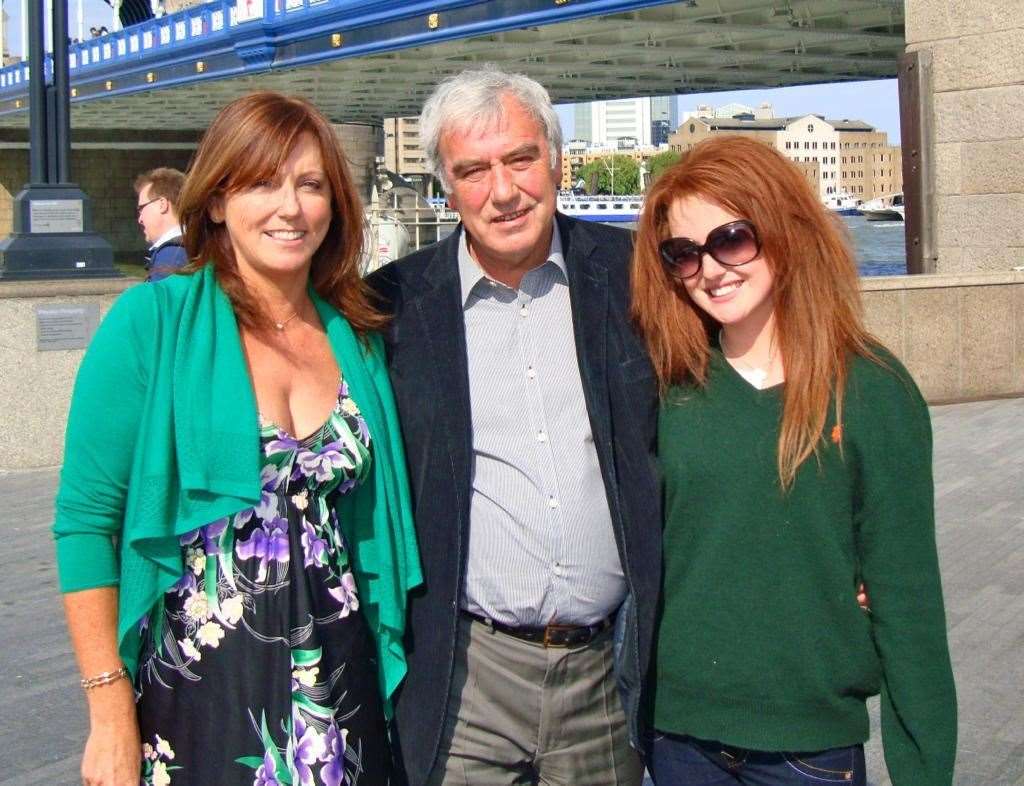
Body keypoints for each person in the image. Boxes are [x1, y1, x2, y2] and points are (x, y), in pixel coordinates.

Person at [54, 92, 421, 786]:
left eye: (310, 185)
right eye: (261, 183)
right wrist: (108, 713)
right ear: (217, 201)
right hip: (198, 691)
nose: (291, 207)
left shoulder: (357, 338)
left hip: (341, 686)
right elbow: (84, 523)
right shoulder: (150, 325)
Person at [631, 135, 957, 785]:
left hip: (809, 747)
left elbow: (908, 608)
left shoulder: (870, 391)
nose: (711, 269)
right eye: (683, 254)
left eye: (731, 238)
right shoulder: (665, 387)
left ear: (783, 228)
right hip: (679, 738)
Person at [368, 66, 661, 786]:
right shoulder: (393, 307)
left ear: (555, 161)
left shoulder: (635, 278)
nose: (503, 192)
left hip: (604, 674)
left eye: (521, 160)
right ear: (445, 187)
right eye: (473, 171)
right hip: (467, 678)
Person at [133, 167, 188, 282]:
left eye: (141, 208)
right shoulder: (196, 245)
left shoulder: (171, 256)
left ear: (162, 204)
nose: (140, 219)